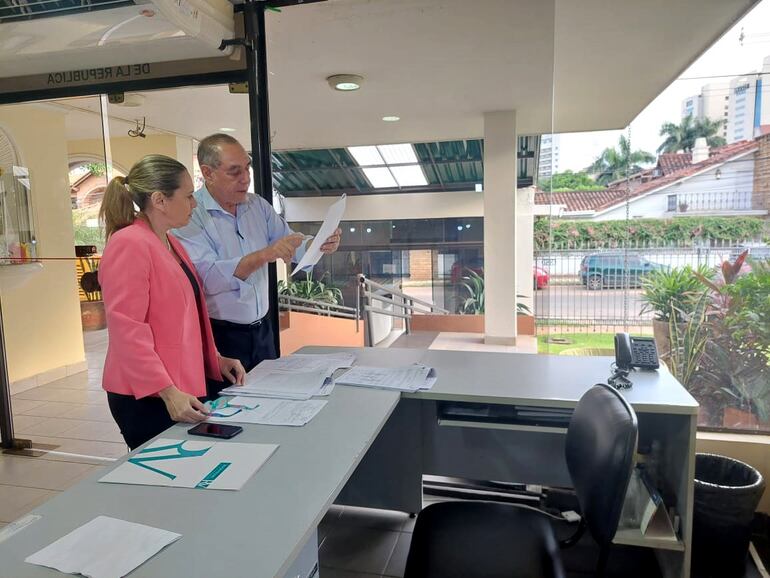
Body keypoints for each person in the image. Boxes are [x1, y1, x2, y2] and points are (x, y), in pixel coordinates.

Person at [98, 154, 245, 450]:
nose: (194, 204)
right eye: (189, 196)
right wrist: (167, 392)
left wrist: (214, 357)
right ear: (160, 200)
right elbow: (128, 330)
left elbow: (179, 317)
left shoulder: (167, 241)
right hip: (147, 394)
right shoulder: (130, 243)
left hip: (177, 386)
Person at [173, 134, 341, 379]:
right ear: (208, 173)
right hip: (221, 336)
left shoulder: (257, 205)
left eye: (247, 168)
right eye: (234, 171)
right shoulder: (191, 213)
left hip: (263, 331)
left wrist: (318, 243)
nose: (246, 178)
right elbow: (208, 278)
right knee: (228, 412)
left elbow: (290, 242)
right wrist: (265, 254)